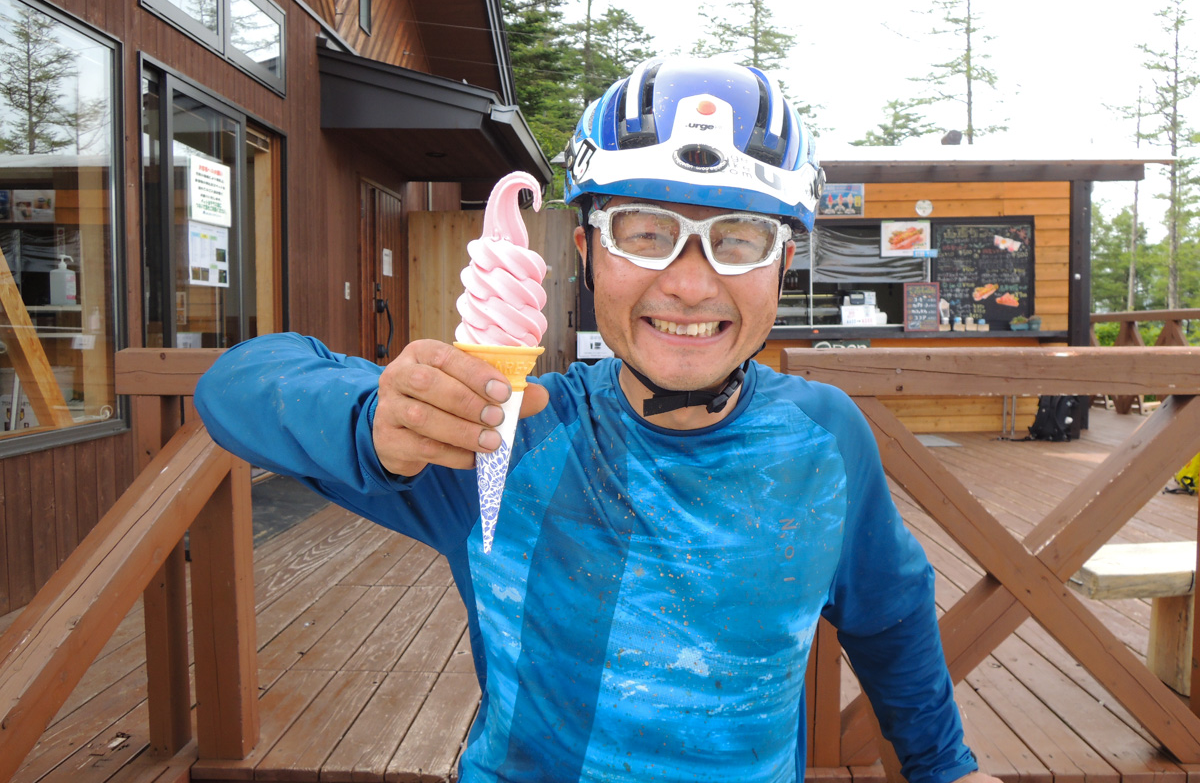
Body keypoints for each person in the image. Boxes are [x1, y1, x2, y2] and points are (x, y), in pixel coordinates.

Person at [196, 57, 1000, 783]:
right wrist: (368, 421)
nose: (690, 284)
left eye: (739, 237)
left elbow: (891, 614)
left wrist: (945, 769)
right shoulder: (506, 434)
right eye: (645, 232)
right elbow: (235, 385)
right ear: (585, 251)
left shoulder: (826, 441)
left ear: (783, 263)